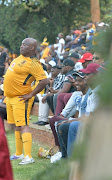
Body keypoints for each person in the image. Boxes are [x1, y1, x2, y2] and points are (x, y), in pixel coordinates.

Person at [3, 37, 49, 165]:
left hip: (21, 99)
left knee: (23, 126)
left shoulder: (33, 63)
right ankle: (19, 154)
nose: (21, 46)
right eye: (21, 44)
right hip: (10, 98)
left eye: (24, 44)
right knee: (17, 126)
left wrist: (31, 94)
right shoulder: (18, 58)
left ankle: (28, 156)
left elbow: (44, 81)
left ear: (32, 48)